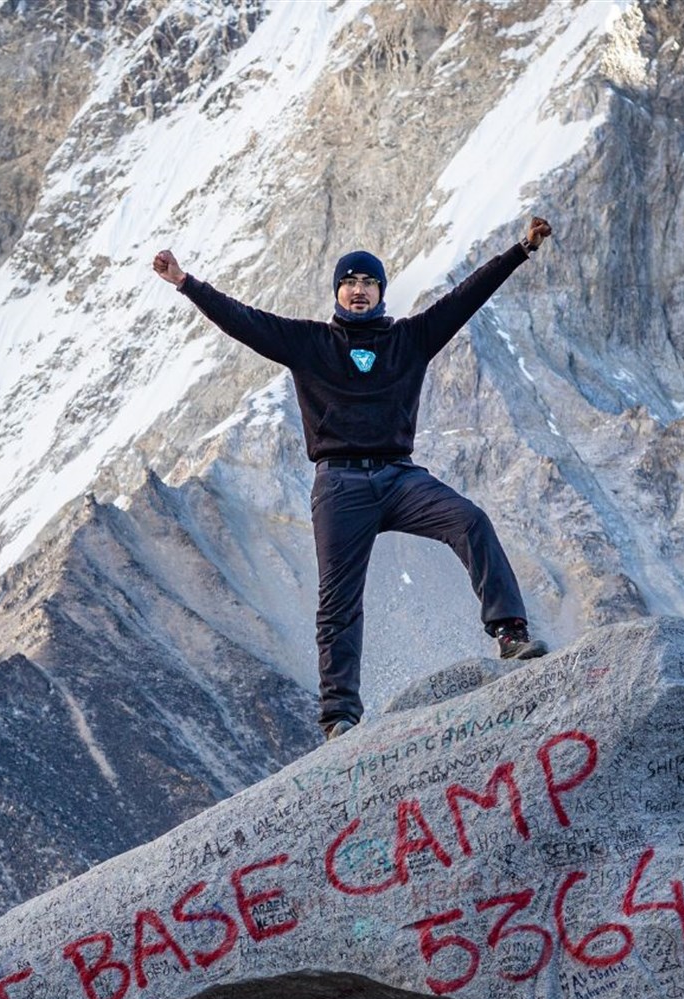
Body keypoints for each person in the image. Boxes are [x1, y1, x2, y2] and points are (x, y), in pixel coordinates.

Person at [153, 215, 551, 740]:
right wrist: (186, 283)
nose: (357, 290)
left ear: (381, 292)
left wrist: (520, 250)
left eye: (367, 282)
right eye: (349, 282)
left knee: (470, 520)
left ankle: (509, 632)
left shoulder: (410, 339)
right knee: (338, 599)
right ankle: (339, 715)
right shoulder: (308, 343)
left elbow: (464, 298)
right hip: (340, 485)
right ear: (337, 292)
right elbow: (243, 320)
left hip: (400, 478)